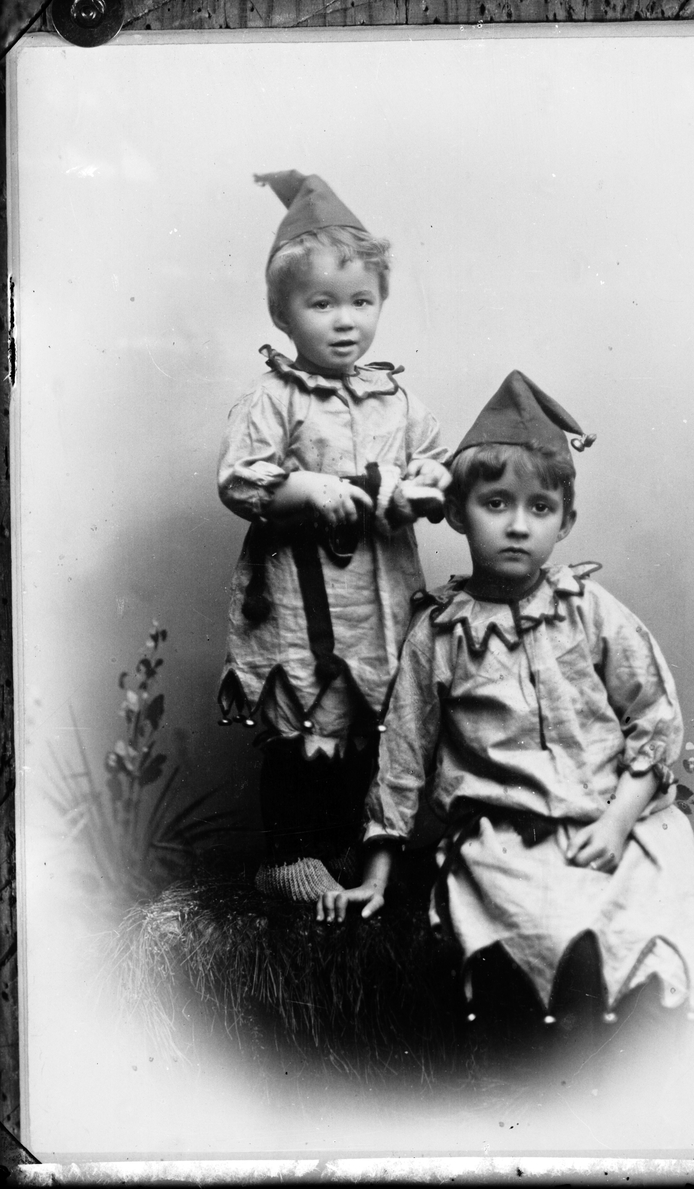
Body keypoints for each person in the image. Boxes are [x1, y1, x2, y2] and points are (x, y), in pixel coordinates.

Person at [318, 370, 694, 1081]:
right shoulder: (438, 634)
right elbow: (403, 756)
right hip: (505, 834)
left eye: (540, 507)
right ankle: (542, 1063)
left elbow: (655, 716)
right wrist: (376, 874)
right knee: (529, 930)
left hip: (614, 817)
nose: (518, 524)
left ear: (566, 521)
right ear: (457, 512)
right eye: (495, 503)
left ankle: (636, 1063)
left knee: (644, 918)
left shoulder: (588, 610)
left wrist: (618, 821)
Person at [217, 170, 449, 903]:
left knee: (370, 716)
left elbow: (436, 464)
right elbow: (240, 479)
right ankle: (290, 857)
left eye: (361, 301)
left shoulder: (397, 400)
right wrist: (311, 488)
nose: (345, 321)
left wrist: (428, 482)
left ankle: (354, 850)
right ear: (283, 314)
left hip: (377, 594)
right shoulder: (274, 398)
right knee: (303, 713)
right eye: (322, 304)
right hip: (299, 593)